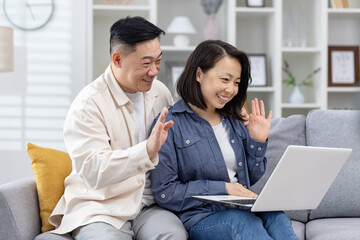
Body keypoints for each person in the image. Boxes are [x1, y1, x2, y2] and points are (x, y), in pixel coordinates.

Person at [47, 16, 188, 239]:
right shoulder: (89, 104)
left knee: (172, 236)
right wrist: (147, 151)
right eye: (146, 63)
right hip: (100, 207)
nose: (154, 71)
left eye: (158, 61)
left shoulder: (160, 92)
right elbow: (93, 170)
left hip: (150, 206)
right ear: (117, 59)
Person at [150, 40, 299, 240]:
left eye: (236, 82)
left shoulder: (235, 120)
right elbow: (165, 192)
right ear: (199, 74)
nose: (231, 89)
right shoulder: (169, 123)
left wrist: (258, 140)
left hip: (243, 209)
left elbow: (250, 178)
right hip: (201, 217)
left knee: (277, 216)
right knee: (239, 221)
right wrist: (224, 188)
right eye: (225, 79)